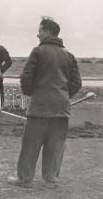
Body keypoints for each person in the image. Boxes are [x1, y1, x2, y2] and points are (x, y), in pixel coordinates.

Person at [8, 17, 82, 187]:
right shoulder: (69, 55)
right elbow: (77, 83)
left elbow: (26, 77)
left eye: (40, 30)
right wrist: (63, 96)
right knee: (56, 144)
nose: (37, 34)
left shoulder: (38, 51)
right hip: (62, 108)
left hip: (39, 107)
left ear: (48, 32)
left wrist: (31, 93)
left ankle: (25, 179)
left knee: (31, 144)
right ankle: (51, 178)